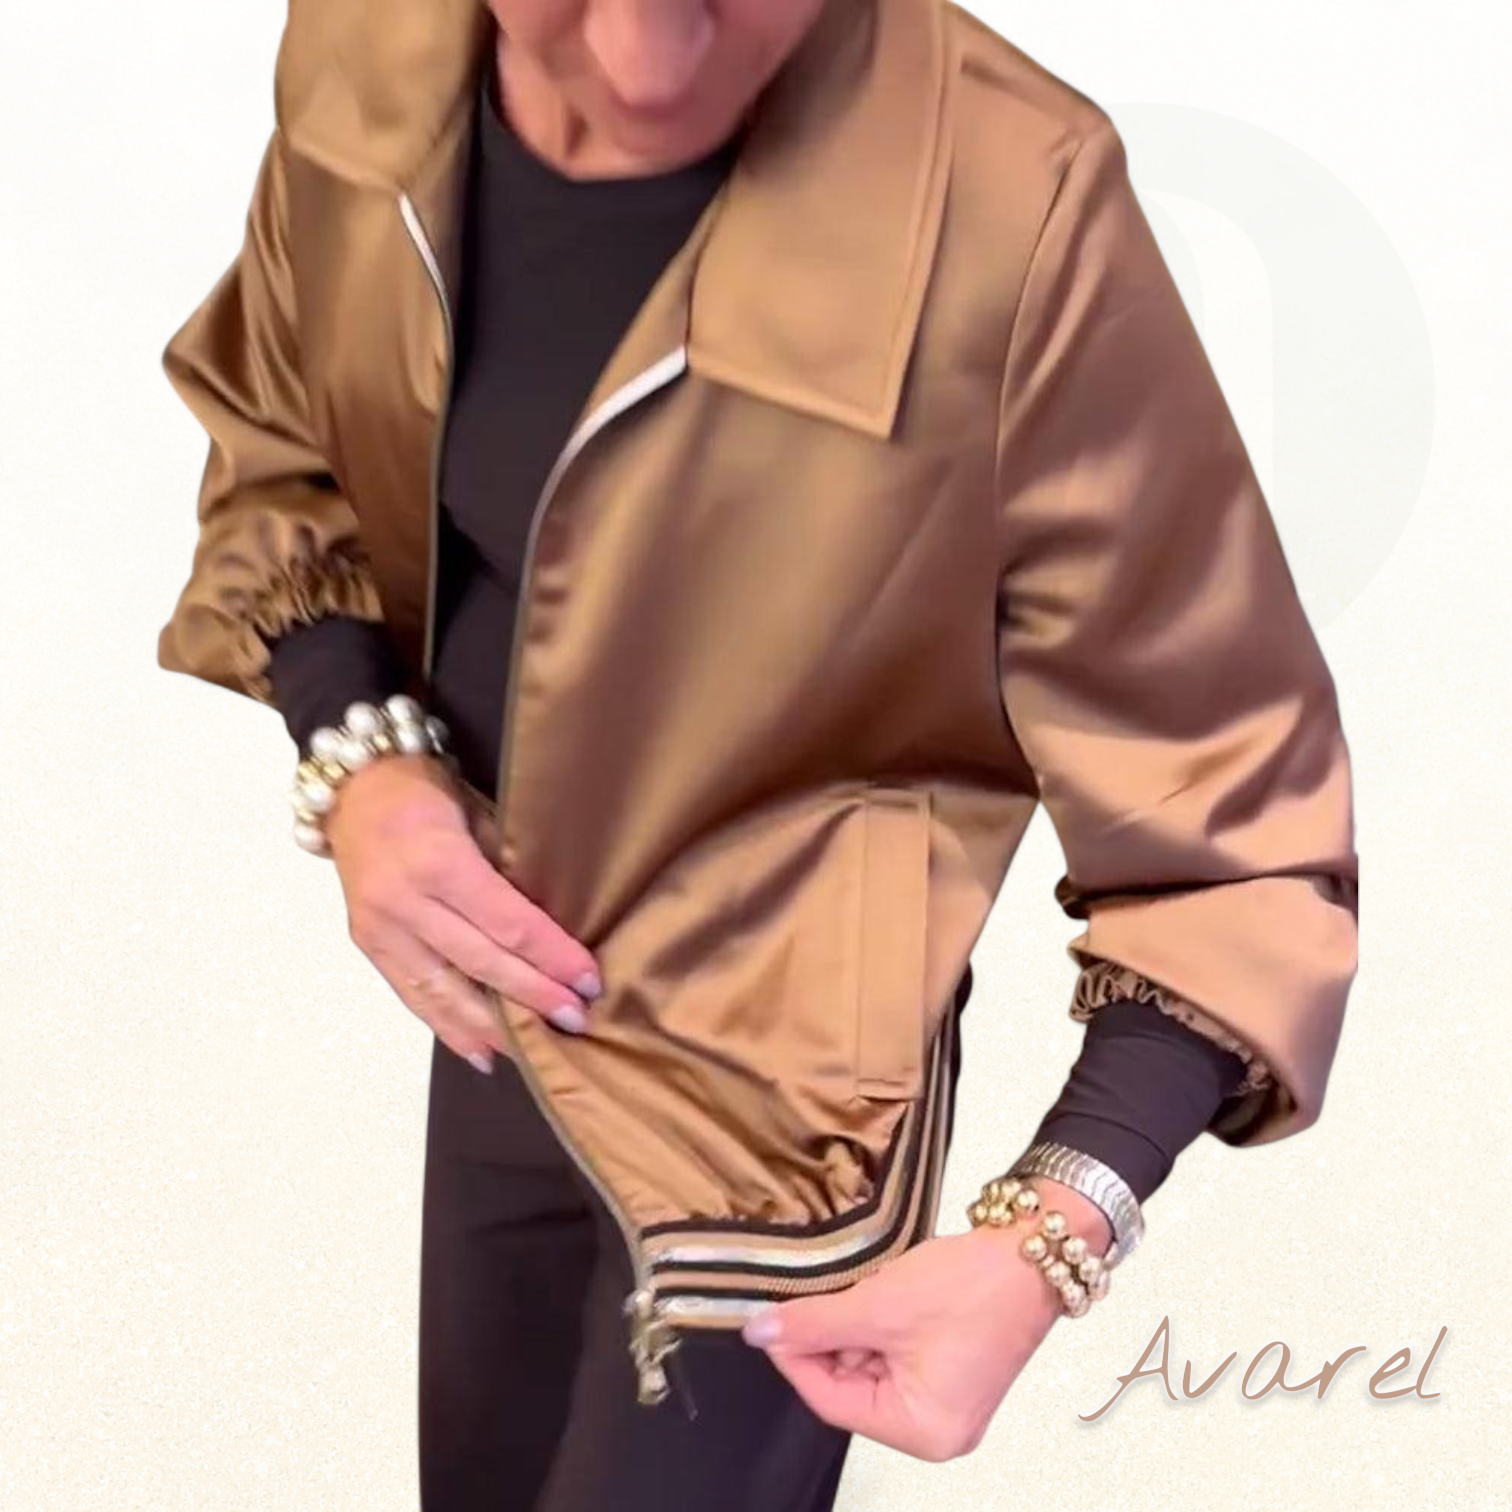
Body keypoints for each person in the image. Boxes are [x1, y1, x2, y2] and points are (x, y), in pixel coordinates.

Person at [154, 0, 1360, 1506]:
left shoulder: (1014, 197)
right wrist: (359, 755)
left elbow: (1233, 819)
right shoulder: (369, 48)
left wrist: (1054, 1231)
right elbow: (288, 436)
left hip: (783, 1147)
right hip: (495, 1037)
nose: (644, 58)